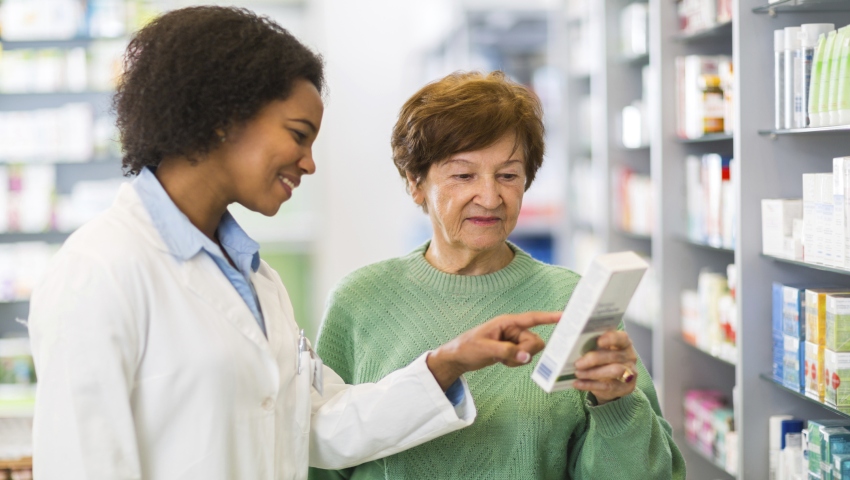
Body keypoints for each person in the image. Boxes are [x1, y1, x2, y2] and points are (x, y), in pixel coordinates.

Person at [26, 9, 560, 480]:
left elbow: (318, 427)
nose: (308, 162)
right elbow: (85, 465)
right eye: (298, 134)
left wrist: (450, 362)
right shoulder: (101, 270)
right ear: (221, 119)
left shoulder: (254, 278)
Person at [311, 71, 687, 479]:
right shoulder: (359, 300)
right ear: (415, 182)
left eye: (508, 175)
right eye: (463, 175)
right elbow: (322, 459)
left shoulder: (570, 299)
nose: (490, 198)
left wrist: (616, 404)